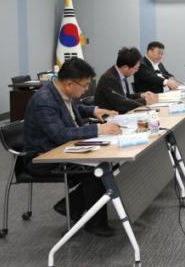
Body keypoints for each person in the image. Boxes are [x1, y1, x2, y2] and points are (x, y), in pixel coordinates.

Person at [23, 58, 121, 237]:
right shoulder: (44, 101)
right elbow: (60, 135)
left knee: (110, 162)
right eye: (85, 85)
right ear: (69, 83)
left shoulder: (62, 92)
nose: (86, 89)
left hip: (64, 148)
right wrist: (99, 129)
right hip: (43, 157)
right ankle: (94, 223)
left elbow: (73, 110)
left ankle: (71, 205)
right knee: (98, 170)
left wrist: (93, 110)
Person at [94, 47, 158, 113]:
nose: (136, 71)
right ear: (125, 67)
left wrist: (141, 95)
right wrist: (145, 101)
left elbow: (125, 97)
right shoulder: (109, 78)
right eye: (135, 68)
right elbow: (120, 104)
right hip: (109, 116)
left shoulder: (121, 75)